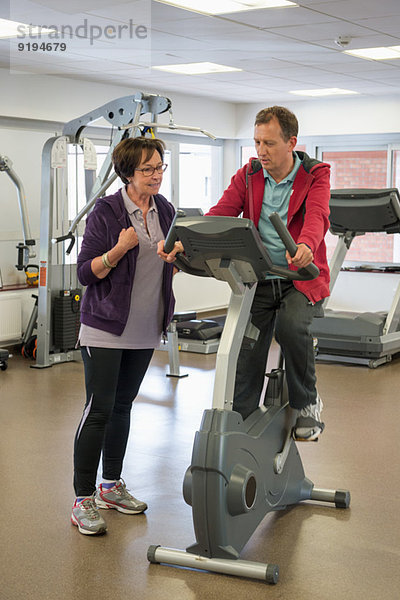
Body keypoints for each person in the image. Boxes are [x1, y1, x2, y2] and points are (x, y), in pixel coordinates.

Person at [159, 106, 330, 442]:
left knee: (292, 327)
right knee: (246, 343)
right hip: (260, 276)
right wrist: (186, 241)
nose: (261, 151)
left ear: (291, 142)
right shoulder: (249, 174)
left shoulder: (315, 174)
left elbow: (318, 215)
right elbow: (220, 213)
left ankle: (308, 403)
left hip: (300, 277)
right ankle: (241, 412)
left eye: (269, 143)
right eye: (256, 142)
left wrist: (306, 244)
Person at [71, 136, 176, 535]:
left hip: (146, 326)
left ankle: (111, 485)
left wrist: (177, 256)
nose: (156, 175)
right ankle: (83, 499)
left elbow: (170, 259)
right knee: (98, 408)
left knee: (123, 406)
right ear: (128, 173)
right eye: (148, 169)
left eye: (160, 167)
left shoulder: (164, 209)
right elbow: (85, 273)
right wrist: (118, 250)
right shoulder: (107, 212)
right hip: (105, 327)